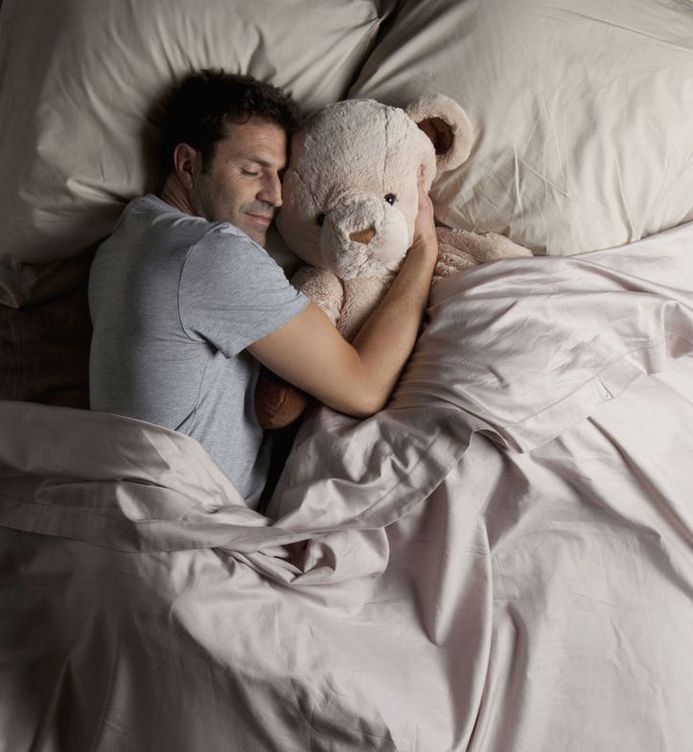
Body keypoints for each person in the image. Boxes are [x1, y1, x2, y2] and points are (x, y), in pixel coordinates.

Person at [88, 69, 438, 506]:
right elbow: (364, 388)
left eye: (280, 175)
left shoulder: (118, 247)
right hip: (200, 536)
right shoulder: (211, 252)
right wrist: (423, 250)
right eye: (252, 171)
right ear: (188, 165)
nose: (275, 196)